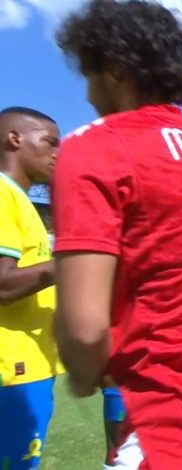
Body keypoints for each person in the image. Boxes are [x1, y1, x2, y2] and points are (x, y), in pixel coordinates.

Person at [52, 2, 182, 467]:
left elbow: (84, 330)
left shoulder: (96, 147)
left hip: (169, 425)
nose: (87, 94)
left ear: (115, 68)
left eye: (88, 74)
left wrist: (82, 376)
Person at [0, 106, 62, 470]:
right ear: (15, 139)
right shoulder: (3, 195)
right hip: (11, 371)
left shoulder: (20, 201)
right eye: (51, 142)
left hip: (29, 366)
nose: (58, 153)